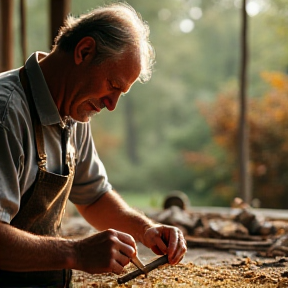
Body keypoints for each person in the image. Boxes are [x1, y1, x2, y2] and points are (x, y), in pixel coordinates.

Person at [0, 2, 187, 287]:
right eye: (113, 84)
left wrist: (146, 229)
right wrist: (76, 252)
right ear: (84, 51)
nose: (111, 105)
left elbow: (94, 196)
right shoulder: (7, 114)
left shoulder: (73, 110)